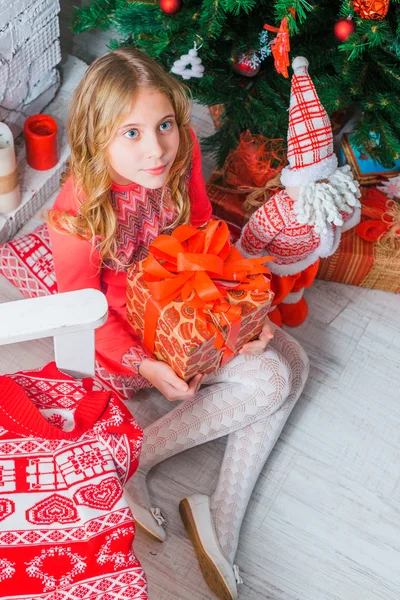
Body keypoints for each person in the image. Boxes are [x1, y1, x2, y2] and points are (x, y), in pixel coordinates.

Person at [47, 47, 309, 600]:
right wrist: (149, 365)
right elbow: (78, 311)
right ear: (98, 137)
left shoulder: (181, 150)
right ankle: (137, 459)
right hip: (129, 338)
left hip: (188, 303)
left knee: (293, 361)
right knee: (268, 380)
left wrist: (241, 312)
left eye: (164, 124)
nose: (158, 148)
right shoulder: (76, 213)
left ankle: (219, 514)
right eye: (132, 133)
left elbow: (203, 232)